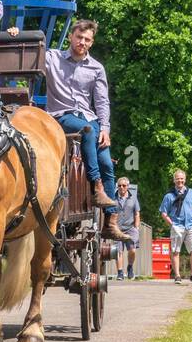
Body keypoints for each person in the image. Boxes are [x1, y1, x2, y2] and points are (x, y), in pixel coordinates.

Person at [44, 19, 124, 240]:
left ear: (92, 42)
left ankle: (110, 221)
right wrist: (14, 32)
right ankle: (97, 188)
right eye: (79, 37)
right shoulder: (52, 58)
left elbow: (101, 102)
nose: (82, 42)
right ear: (71, 36)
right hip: (61, 117)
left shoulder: (96, 68)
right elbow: (33, 48)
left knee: (107, 162)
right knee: (87, 131)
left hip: (88, 117)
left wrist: (106, 128)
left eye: (87, 39)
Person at [159, 169, 192, 284]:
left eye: (182, 178)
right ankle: (177, 275)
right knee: (175, 251)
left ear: (185, 179)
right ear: (174, 180)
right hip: (177, 225)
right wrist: (172, 224)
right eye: (177, 179)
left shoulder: (191, 192)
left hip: (191, 225)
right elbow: (163, 212)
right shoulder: (169, 195)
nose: (180, 181)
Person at [113, 176, 140, 279]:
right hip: (117, 228)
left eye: (124, 185)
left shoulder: (133, 198)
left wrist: (136, 227)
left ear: (127, 186)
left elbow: (137, 213)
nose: (121, 187)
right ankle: (120, 273)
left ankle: (130, 267)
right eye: (119, 186)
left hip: (130, 228)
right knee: (118, 251)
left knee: (132, 250)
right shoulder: (113, 197)